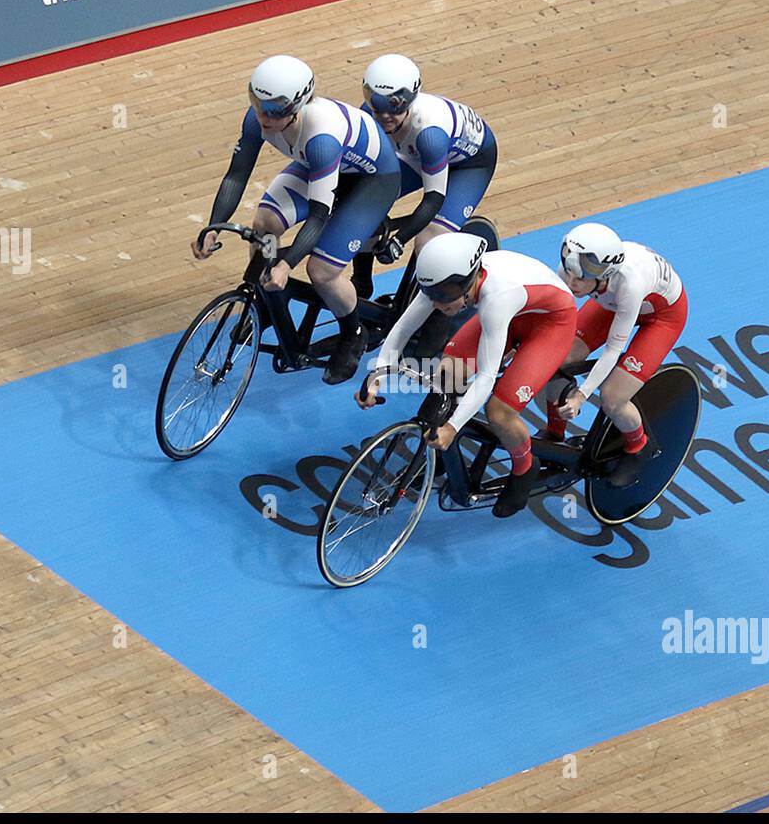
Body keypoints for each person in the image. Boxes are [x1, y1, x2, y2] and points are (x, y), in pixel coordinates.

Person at [191, 55, 401, 385]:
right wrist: (213, 225)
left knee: (322, 271)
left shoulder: (321, 137)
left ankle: (353, 332)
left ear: (298, 106)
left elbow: (319, 216)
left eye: (274, 110)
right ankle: (269, 302)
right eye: (257, 103)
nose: (263, 116)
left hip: (370, 181)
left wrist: (287, 263)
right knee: (265, 224)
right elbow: (236, 175)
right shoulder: (258, 118)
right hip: (323, 168)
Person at [358, 232, 576, 518]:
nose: (436, 305)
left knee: (499, 411)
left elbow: (485, 376)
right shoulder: (442, 282)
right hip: (516, 309)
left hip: (550, 323)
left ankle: (525, 466)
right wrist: (377, 377)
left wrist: (452, 426)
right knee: (447, 374)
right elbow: (401, 330)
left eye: (444, 298)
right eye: (432, 296)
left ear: (468, 282)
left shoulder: (495, 298)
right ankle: (441, 448)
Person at [355, 54, 497, 353]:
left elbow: (434, 198)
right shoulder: (369, 115)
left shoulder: (430, 133)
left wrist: (399, 239)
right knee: (364, 205)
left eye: (394, 106)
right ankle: (362, 284)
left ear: (411, 99)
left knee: (429, 241)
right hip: (415, 155)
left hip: (468, 164)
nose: (383, 115)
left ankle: (437, 322)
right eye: (376, 103)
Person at [539, 222, 688, 488]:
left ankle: (638, 447)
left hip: (662, 317)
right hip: (610, 302)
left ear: (604, 274)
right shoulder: (575, 266)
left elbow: (612, 349)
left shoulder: (629, 284)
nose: (572, 284)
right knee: (557, 360)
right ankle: (554, 432)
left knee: (613, 397)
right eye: (569, 274)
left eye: (580, 280)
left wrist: (581, 394)